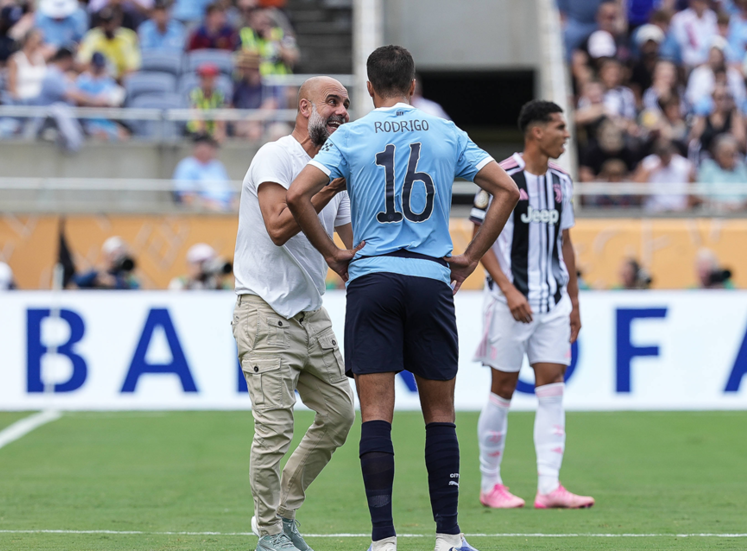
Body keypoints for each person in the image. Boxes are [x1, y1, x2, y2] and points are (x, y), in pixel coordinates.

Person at [286, 45, 519, 551]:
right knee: (441, 414)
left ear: (369, 89)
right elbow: (506, 190)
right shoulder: (445, 131)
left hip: (372, 279)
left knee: (376, 413)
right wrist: (472, 256)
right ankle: (449, 537)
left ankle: (383, 541)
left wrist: (333, 253)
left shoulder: (350, 135)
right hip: (430, 277)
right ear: (412, 86)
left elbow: (296, 196)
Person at [232, 76, 354, 551]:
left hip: (310, 312)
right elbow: (280, 224)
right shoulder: (276, 155)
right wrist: (324, 187)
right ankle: (267, 533)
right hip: (264, 310)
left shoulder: (332, 169)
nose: (342, 110)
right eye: (333, 101)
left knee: (341, 414)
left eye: (345, 102)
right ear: (305, 108)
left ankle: (283, 514)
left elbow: (349, 247)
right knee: (274, 428)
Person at [468, 100, 592, 511]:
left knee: (552, 388)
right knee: (501, 389)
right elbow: (476, 238)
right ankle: (490, 485)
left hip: (553, 301)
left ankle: (549, 486)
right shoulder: (501, 176)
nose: (566, 134)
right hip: (509, 302)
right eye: (559, 127)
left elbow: (566, 242)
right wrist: (508, 289)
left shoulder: (561, 181)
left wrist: (574, 302)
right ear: (536, 132)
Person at [696, 133, 747, 211]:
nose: (731, 158)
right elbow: (698, 195)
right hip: (713, 214)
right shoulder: (708, 168)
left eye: (734, 154)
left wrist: (739, 206)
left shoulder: (741, 168)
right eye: (727, 154)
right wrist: (718, 205)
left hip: (739, 215)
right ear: (717, 154)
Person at [173, 133, 234, 211]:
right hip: (204, 211)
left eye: (210, 146)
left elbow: (231, 195)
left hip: (226, 209)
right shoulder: (186, 166)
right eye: (203, 146)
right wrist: (210, 206)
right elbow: (187, 198)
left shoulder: (217, 166)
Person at [75, 52, 128, 140]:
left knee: (124, 135)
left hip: (106, 119)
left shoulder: (107, 81)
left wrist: (104, 103)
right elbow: (78, 102)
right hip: (88, 121)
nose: (98, 68)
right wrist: (95, 101)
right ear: (91, 64)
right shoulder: (82, 80)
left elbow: (113, 101)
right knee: (102, 135)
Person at [635, 139, 695, 213]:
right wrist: (650, 173)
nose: (664, 158)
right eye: (661, 155)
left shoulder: (685, 166)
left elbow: (693, 192)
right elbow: (637, 191)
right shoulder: (648, 165)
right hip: (654, 210)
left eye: (666, 155)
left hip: (679, 211)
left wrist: (685, 210)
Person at [78, 8, 140, 79]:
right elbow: (82, 62)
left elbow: (133, 67)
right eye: (104, 22)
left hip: (120, 81)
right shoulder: (92, 36)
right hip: (96, 79)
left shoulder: (128, 37)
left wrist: (116, 79)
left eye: (109, 21)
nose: (107, 26)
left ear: (117, 21)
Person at [239, 6, 298, 75]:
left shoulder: (279, 33)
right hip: (255, 81)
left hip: (279, 80)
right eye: (258, 17)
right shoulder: (244, 34)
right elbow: (239, 58)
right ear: (251, 21)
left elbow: (293, 57)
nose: (263, 21)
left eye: (265, 18)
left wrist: (275, 42)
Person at [72, 236, 140, 289]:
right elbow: (78, 282)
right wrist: (97, 275)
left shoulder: (125, 275)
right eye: (114, 254)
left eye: (121, 254)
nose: (117, 258)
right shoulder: (98, 272)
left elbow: (135, 288)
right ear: (106, 256)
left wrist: (114, 283)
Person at [669, 0, 719, 68]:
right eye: (699, 2)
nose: (701, 4)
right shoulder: (680, 18)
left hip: (709, 61)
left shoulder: (712, 17)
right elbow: (681, 44)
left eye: (704, 2)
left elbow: (714, 40)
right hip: (687, 63)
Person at [187, 63, 226, 140]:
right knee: (201, 136)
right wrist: (204, 131)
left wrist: (220, 130)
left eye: (210, 78)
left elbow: (220, 114)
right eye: (204, 78)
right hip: (196, 130)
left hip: (212, 130)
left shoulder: (218, 95)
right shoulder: (195, 93)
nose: (207, 81)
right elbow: (196, 112)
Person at [6, 29, 47, 103]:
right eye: (34, 39)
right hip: (22, 101)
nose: (38, 42)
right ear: (27, 41)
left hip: (41, 101)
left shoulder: (41, 58)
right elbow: (11, 86)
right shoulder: (15, 59)